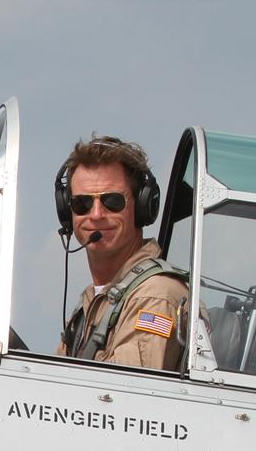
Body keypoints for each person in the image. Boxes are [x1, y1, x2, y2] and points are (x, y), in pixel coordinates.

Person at [54, 136, 188, 371]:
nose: (96, 215)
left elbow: (126, 398)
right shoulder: (91, 306)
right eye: (82, 204)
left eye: (112, 201)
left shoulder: (154, 296)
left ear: (142, 207)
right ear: (67, 212)